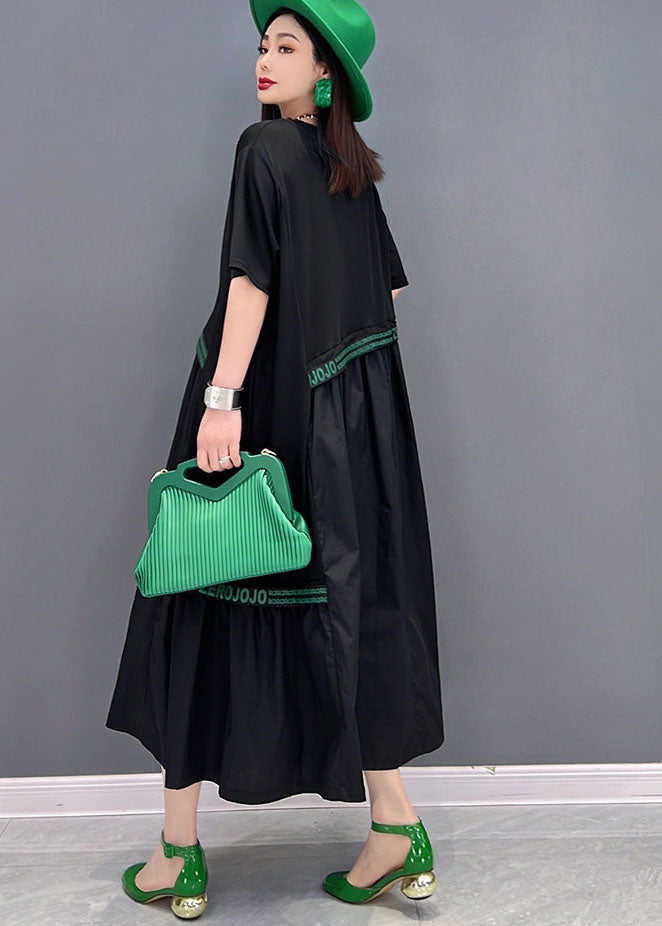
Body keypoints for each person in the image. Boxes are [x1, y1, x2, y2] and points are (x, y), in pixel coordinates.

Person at [106, 0, 445, 915]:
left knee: (193, 594)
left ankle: (178, 854)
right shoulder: (353, 174)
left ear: (325, 70)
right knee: (351, 611)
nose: (265, 57)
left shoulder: (263, 149)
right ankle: (395, 829)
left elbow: (249, 282)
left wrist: (223, 398)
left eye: (287, 45)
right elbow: (387, 296)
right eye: (263, 43)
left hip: (256, 410)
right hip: (346, 427)